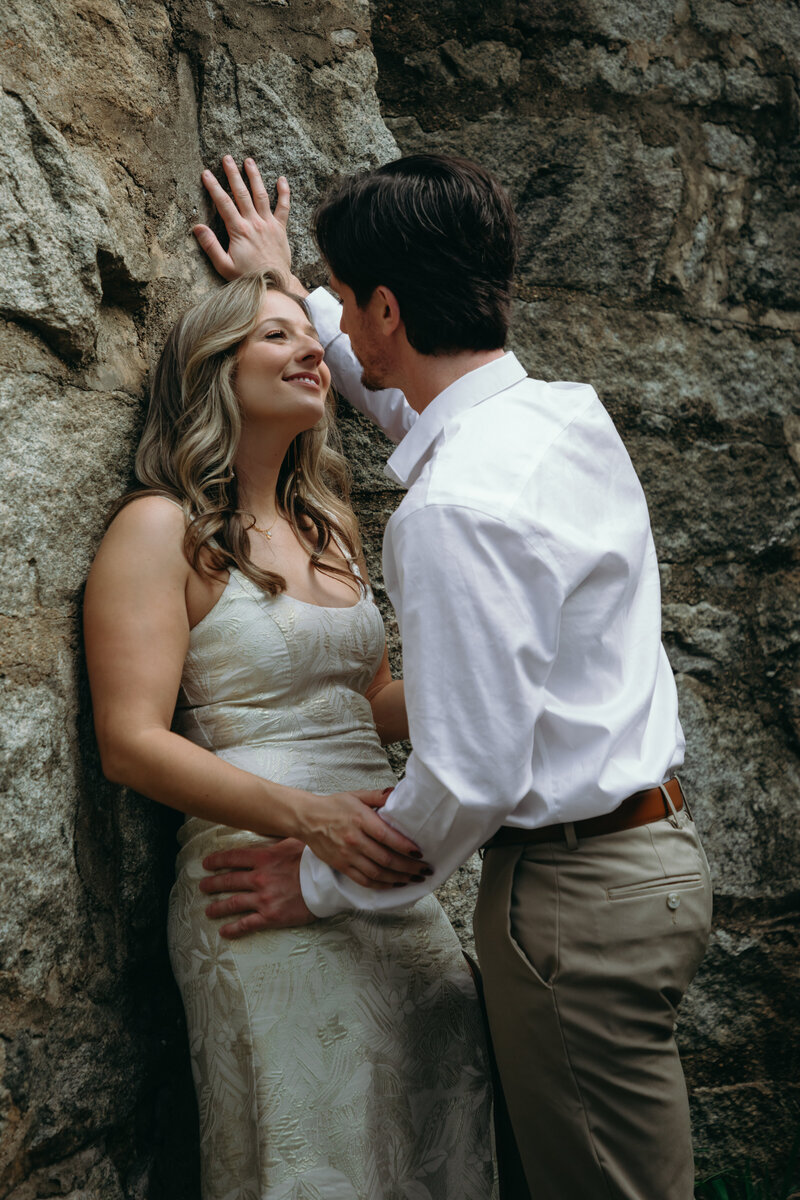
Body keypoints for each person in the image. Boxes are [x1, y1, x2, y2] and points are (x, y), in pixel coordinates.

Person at [193, 154, 714, 1200]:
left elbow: (470, 776)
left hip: (572, 905)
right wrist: (289, 283)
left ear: (387, 309)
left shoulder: (452, 512)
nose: (331, 326)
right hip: (649, 862)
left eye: (345, 303)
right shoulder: (561, 418)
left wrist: (319, 881)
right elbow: (424, 417)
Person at [83, 269, 495, 1200]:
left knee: (437, 1139)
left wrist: (496, 668)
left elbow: (368, 697)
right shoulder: (160, 528)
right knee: (313, 1158)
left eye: (311, 336)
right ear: (212, 369)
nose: (313, 348)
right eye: (278, 336)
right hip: (257, 878)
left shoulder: (329, 528)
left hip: (383, 873)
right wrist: (311, 820)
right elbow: (130, 741)